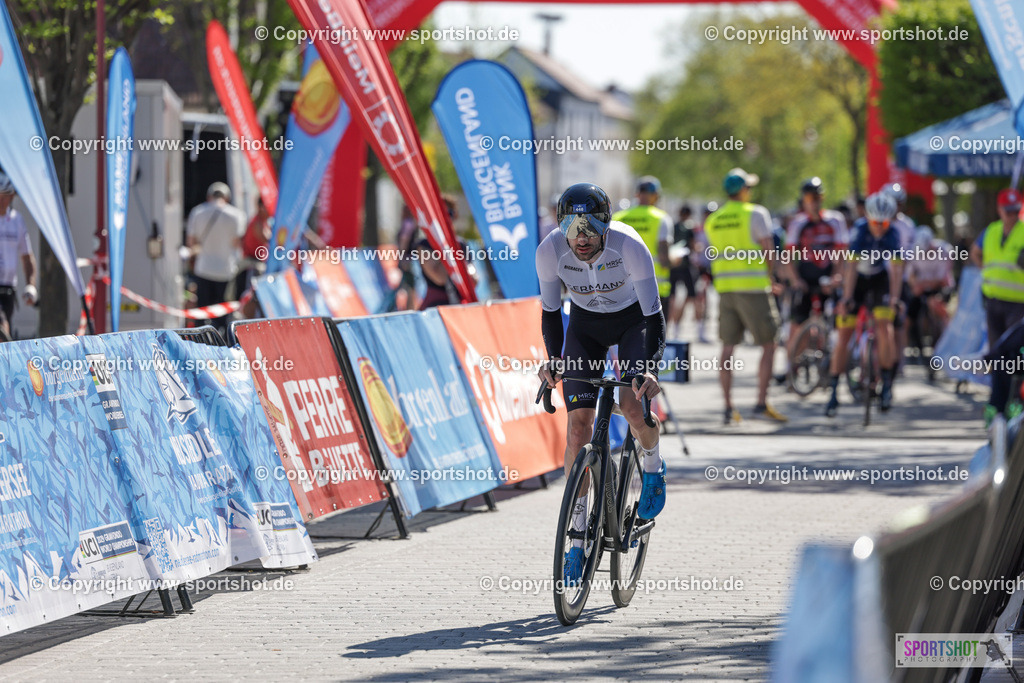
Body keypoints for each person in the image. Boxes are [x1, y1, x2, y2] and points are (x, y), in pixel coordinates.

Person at [536, 182, 666, 584]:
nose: (583, 240)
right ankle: (576, 539)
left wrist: (649, 367)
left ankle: (653, 465)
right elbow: (551, 313)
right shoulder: (550, 251)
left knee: (631, 405)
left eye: (591, 230)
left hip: (632, 324)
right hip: (585, 329)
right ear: (562, 228)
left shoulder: (629, 246)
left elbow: (654, 317)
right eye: (574, 231)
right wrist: (554, 361)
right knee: (577, 429)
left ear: (607, 225)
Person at [703, 168, 787, 424]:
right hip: (754, 288)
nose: (750, 192)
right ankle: (761, 403)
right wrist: (771, 278)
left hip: (726, 290)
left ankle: (729, 408)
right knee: (769, 345)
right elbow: (768, 250)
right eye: (748, 188)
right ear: (742, 190)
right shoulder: (756, 213)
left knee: (727, 348)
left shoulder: (713, 220)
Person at [825, 192, 903, 417]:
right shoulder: (859, 230)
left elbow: (897, 271)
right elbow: (850, 268)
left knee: (884, 327)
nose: (879, 227)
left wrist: (895, 299)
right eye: (875, 222)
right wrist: (847, 298)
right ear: (867, 218)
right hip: (857, 281)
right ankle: (833, 392)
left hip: (879, 281)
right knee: (844, 334)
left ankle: (887, 384)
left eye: (884, 223)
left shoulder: (893, 234)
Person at [780, 177, 848, 377]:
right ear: (803, 199)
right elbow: (788, 256)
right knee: (797, 324)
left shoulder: (835, 220)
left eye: (818, 197)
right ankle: (790, 368)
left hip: (828, 279)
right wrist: (795, 280)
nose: (814, 201)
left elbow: (842, 253)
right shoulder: (798, 223)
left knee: (837, 323)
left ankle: (836, 366)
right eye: (810, 198)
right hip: (805, 279)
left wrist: (837, 277)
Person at [185, 182, 246, 333]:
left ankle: (200, 344)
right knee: (223, 313)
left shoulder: (197, 212)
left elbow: (191, 242)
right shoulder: (237, 215)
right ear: (227, 197)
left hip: (204, 268)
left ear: (209, 196)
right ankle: (223, 345)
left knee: (202, 311)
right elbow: (237, 243)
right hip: (225, 270)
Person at [612, 176, 674, 312]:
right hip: (655, 286)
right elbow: (664, 260)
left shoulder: (618, 218)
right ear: (656, 195)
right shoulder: (661, 219)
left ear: (637, 194)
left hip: (623, 288)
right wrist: (676, 260)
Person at [970, 189, 1024, 345]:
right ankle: (998, 370)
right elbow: (975, 252)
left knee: (1014, 347)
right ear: (999, 209)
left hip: (1018, 301)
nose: (1012, 215)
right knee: (995, 347)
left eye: (1016, 211)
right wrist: (985, 270)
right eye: (1008, 211)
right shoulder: (991, 230)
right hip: (993, 299)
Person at [415, 195, 477, 310]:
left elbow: (473, 280)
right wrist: (447, 247)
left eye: (448, 213)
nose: (444, 218)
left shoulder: (461, 244)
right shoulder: (424, 245)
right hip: (435, 306)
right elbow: (440, 277)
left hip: (461, 304)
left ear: (455, 216)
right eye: (439, 214)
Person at [0, 173, 37, 340]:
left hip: (9, 290)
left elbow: (27, 257)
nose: (1, 200)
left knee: (6, 327)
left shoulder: (17, 221)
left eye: (5, 196)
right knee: (2, 326)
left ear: (12, 196)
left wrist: (31, 285)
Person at [667, 204, 698, 340]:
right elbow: (693, 246)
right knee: (688, 295)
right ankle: (676, 322)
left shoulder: (672, 227)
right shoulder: (689, 228)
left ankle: (673, 323)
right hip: (684, 265)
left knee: (672, 297)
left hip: (674, 265)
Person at [235, 196, 271, 299]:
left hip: (255, 266)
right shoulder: (257, 223)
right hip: (250, 268)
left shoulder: (264, 222)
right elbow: (268, 240)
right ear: (261, 207)